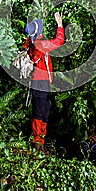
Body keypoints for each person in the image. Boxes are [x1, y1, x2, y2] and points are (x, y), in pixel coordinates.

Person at [23, 12, 64, 150]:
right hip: (40, 82)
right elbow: (59, 41)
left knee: (44, 110)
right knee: (40, 111)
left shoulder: (32, 42)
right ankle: (37, 141)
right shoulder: (41, 44)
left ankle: (41, 138)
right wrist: (60, 24)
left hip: (39, 82)